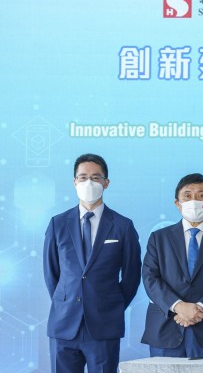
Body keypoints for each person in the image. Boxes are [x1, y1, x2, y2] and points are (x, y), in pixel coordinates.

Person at [43, 153, 141, 372]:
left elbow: (132, 276)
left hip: (104, 325)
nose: (89, 182)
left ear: (106, 183)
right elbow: (52, 274)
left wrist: (110, 304)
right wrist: (68, 301)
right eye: (83, 177)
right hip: (64, 324)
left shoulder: (123, 226)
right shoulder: (58, 223)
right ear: (74, 182)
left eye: (96, 178)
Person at [141, 173, 203, 357]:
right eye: (187, 195)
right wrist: (178, 306)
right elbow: (149, 278)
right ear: (177, 203)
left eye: (201, 195)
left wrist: (200, 308)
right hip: (166, 328)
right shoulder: (159, 238)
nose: (194, 201)